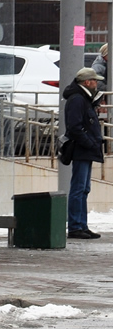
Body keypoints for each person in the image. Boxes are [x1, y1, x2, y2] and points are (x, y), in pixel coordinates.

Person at [63, 67, 105, 239]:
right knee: (79, 188)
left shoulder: (84, 99)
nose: (97, 83)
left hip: (86, 149)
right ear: (87, 82)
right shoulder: (77, 100)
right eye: (94, 81)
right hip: (82, 149)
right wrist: (90, 143)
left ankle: (81, 224)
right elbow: (74, 127)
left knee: (84, 188)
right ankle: (75, 226)